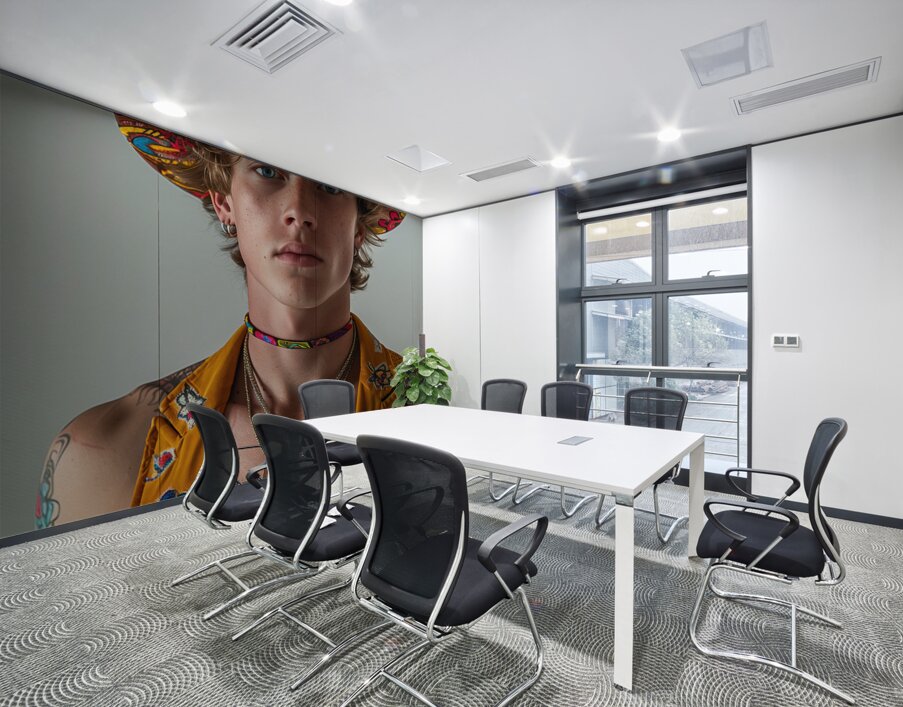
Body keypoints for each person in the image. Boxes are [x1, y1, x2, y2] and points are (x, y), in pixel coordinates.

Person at [35, 115, 406, 528]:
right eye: (267, 171)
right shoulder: (105, 448)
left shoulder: (428, 411)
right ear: (224, 201)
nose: (299, 211)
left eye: (331, 184)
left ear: (360, 222)